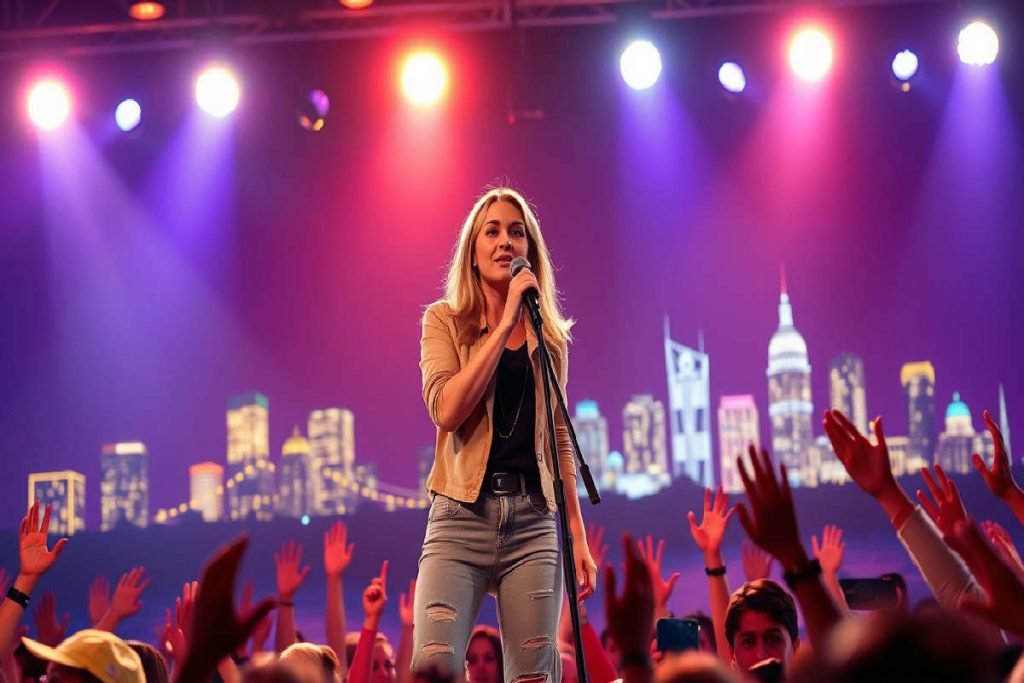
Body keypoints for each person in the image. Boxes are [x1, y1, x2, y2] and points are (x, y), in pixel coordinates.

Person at [415, 186, 597, 681]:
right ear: (472, 254)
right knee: (433, 665)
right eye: (491, 232)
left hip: (533, 521)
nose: (505, 242)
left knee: (535, 674)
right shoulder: (443, 321)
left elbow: (558, 437)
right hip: (460, 516)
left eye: (516, 233)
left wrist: (577, 533)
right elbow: (447, 410)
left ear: (529, 252)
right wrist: (504, 326)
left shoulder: (550, 339)